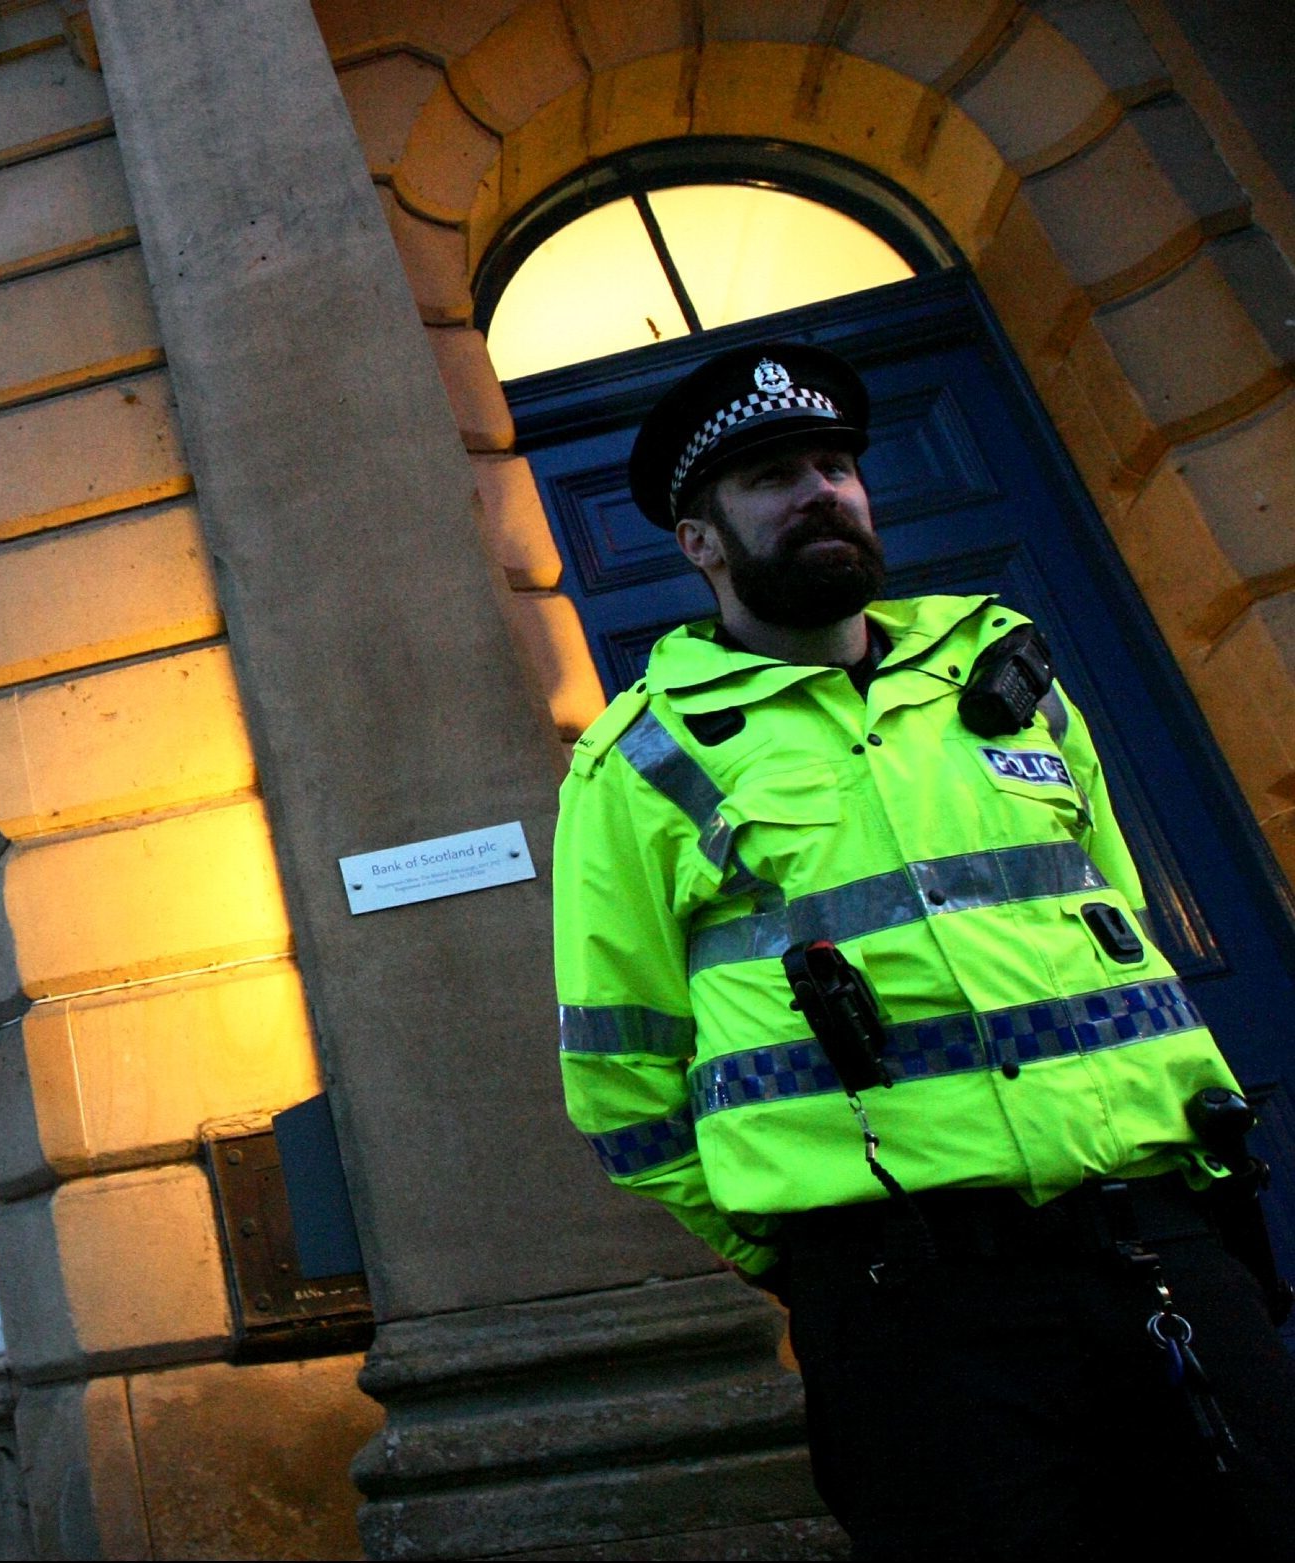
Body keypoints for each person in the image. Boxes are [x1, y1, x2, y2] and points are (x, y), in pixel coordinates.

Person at [553, 342, 1295, 1558]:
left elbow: (1116, 925)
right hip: (907, 1298)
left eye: (833, 463)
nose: (818, 493)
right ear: (698, 543)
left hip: (1156, 1240)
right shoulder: (637, 762)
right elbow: (618, 1076)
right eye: (769, 480)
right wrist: (797, 1247)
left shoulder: (1006, 682)